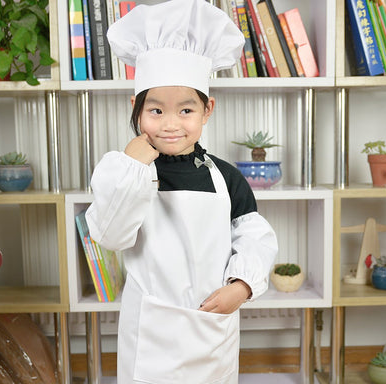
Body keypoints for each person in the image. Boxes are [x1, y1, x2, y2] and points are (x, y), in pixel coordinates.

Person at [85, 0, 278, 382]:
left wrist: (242, 285)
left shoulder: (226, 177)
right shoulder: (121, 171)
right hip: (151, 332)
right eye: (156, 111)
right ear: (136, 109)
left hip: (212, 326)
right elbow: (111, 236)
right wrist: (133, 168)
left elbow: (255, 237)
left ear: (207, 110)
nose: (171, 124)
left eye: (185, 111)